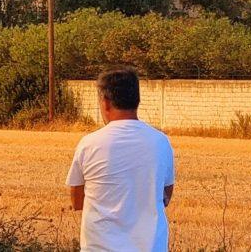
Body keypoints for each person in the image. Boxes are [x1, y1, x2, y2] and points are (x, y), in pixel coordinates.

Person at [66, 67, 175, 252]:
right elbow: (166, 195)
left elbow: (77, 201)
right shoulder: (160, 142)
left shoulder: (89, 144)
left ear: (105, 102)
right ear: (137, 100)